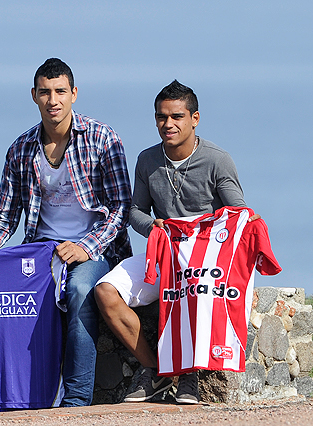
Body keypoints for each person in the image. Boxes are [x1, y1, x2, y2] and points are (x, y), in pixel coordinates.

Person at [0, 58, 133, 407]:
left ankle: (76, 401)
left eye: (61, 91)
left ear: (74, 94)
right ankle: (14, 392)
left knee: (80, 289)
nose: (53, 100)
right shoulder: (21, 149)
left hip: (96, 249)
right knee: (0, 298)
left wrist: (85, 248)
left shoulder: (103, 138)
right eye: (45, 92)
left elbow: (122, 208)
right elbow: (5, 214)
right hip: (40, 252)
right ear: (34, 95)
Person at [94, 80, 260, 404]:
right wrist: (152, 226)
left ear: (194, 118)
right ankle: (155, 370)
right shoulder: (147, 160)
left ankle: (189, 375)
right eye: (161, 117)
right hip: (161, 255)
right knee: (105, 292)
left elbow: (238, 212)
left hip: (202, 260)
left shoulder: (217, 159)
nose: (168, 124)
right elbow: (135, 211)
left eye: (177, 116)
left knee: (194, 292)